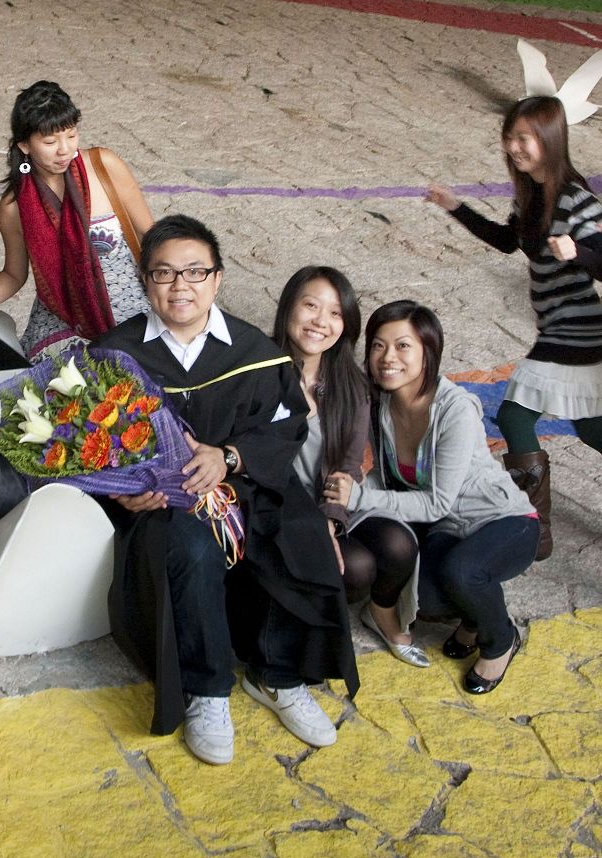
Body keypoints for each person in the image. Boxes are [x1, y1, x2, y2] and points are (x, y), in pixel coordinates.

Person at [94, 216, 358, 765]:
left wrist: (230, 457)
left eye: (195, 271)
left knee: (297, 530)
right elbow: (86, 443)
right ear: (145, 280)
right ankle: (208, 689)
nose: (180, 285)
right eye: (164, 273)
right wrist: (120, 490)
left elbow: (286, 426)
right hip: (164, 500)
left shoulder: (253, 350)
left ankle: (277, 674)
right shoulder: (114, 355)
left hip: (243, 481)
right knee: (190, 546)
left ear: (217, 278)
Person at [427, 95, 602, 564]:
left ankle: (533, 533)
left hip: (575, 327)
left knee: (515, 417)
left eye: (524, 138)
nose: (514, 146)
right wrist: (456, 207)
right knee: (591, 424)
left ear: (550, 139)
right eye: (510, 137)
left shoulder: (575, 198)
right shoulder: (533, 194)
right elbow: (509, 241)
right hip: (560, 326)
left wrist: (576, 253)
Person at [325, 301, 539, 695]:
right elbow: (389, 476)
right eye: (378, 345)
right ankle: (473, 616)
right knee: (422, 600)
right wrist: (340, 503)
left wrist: (359, 498)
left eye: (403, 346)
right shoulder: (383, 403)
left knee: (462, 572)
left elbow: (436, 502)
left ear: (428, 351)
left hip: (504, 520)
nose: (388, 357)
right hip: (448, 528)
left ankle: (500, 639)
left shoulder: (454, 409)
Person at [272, 267, 427, 669]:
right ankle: (303, 628)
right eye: (311, 305)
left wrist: (330, 519)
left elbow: (347, 463)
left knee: (398, 545)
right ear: (288, 306)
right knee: (356, 567)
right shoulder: (259, 370)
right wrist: (312, 524)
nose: (321, 321)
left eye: (335, 313)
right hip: (281, 505)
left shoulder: (350, 384)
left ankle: (381, 614)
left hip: (333, 499)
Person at [0, 81, 152, 357]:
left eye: (71, 135)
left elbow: (151, 236)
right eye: (50, 142)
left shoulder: (103, 165)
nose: (64, 149)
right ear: (24, 145)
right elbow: (14, 274)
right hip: (62, 323)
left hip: (132, 313)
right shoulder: (14, 206)